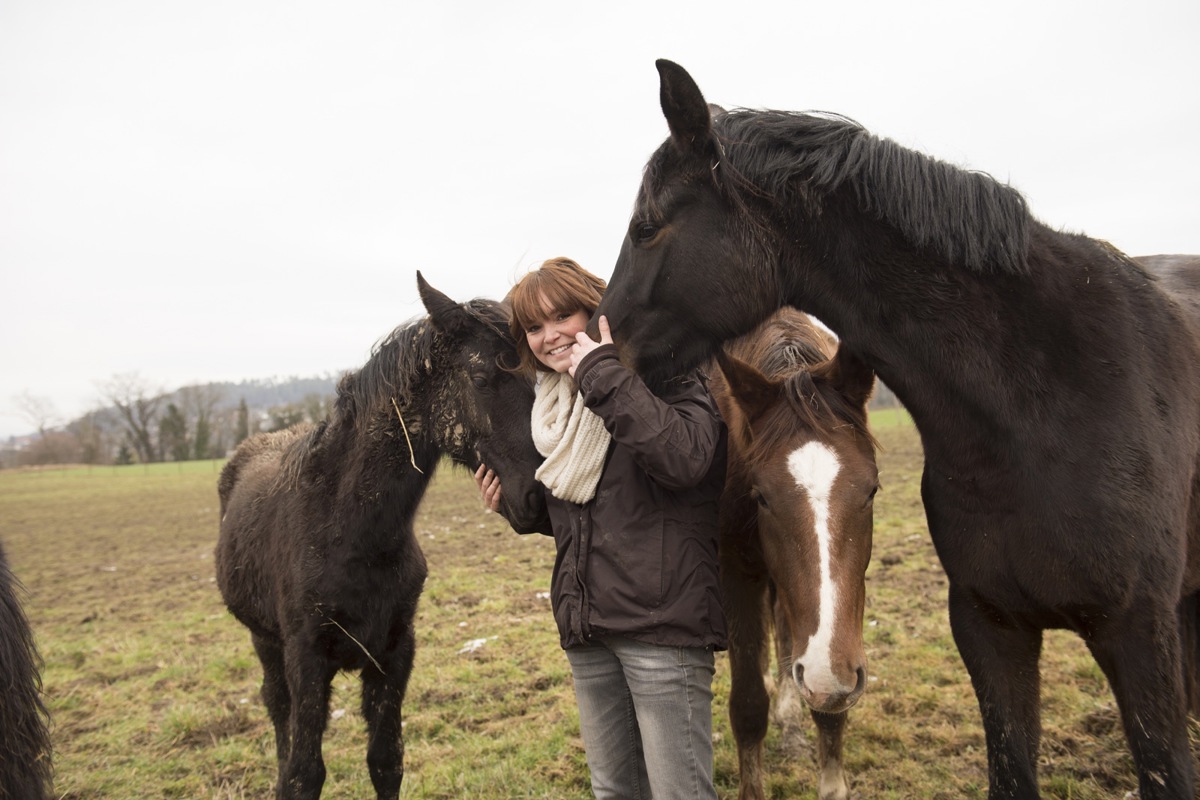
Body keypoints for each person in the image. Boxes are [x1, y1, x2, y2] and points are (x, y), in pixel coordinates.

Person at [474, 256, 728, 800]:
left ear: (598, 311)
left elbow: (684, 460)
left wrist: (603, 372)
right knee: (614, 791)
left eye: (563, 316)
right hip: (589, 631)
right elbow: (593, 508)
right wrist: (518, 511)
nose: (549, 336)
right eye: (534, 328)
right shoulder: (556, 407)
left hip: (663, 631)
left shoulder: (665, 374)